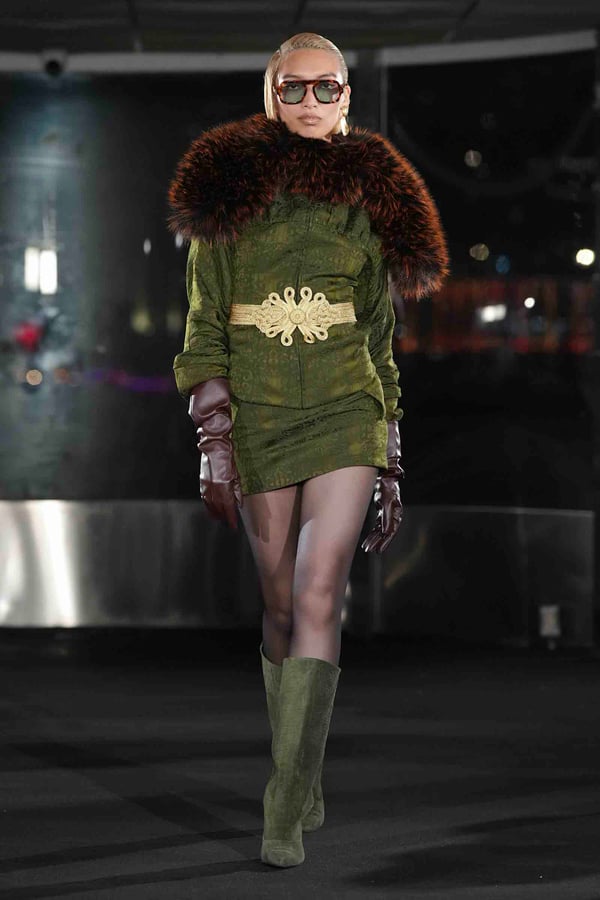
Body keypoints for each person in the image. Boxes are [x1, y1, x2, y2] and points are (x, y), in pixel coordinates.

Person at [166, 32, 448, 868]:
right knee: (281, 604)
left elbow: (379, 335)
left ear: (348, 96)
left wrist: (389, 450)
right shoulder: (226, 192)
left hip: (345, 407)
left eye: (328, 88)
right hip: (257, 411)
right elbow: (203, 324)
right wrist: (214, 438)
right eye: (296, 88)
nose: (312, 102)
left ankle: (284, 802)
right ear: (272, 94)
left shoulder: (372, 197)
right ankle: (301, 767)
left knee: (320, 593)